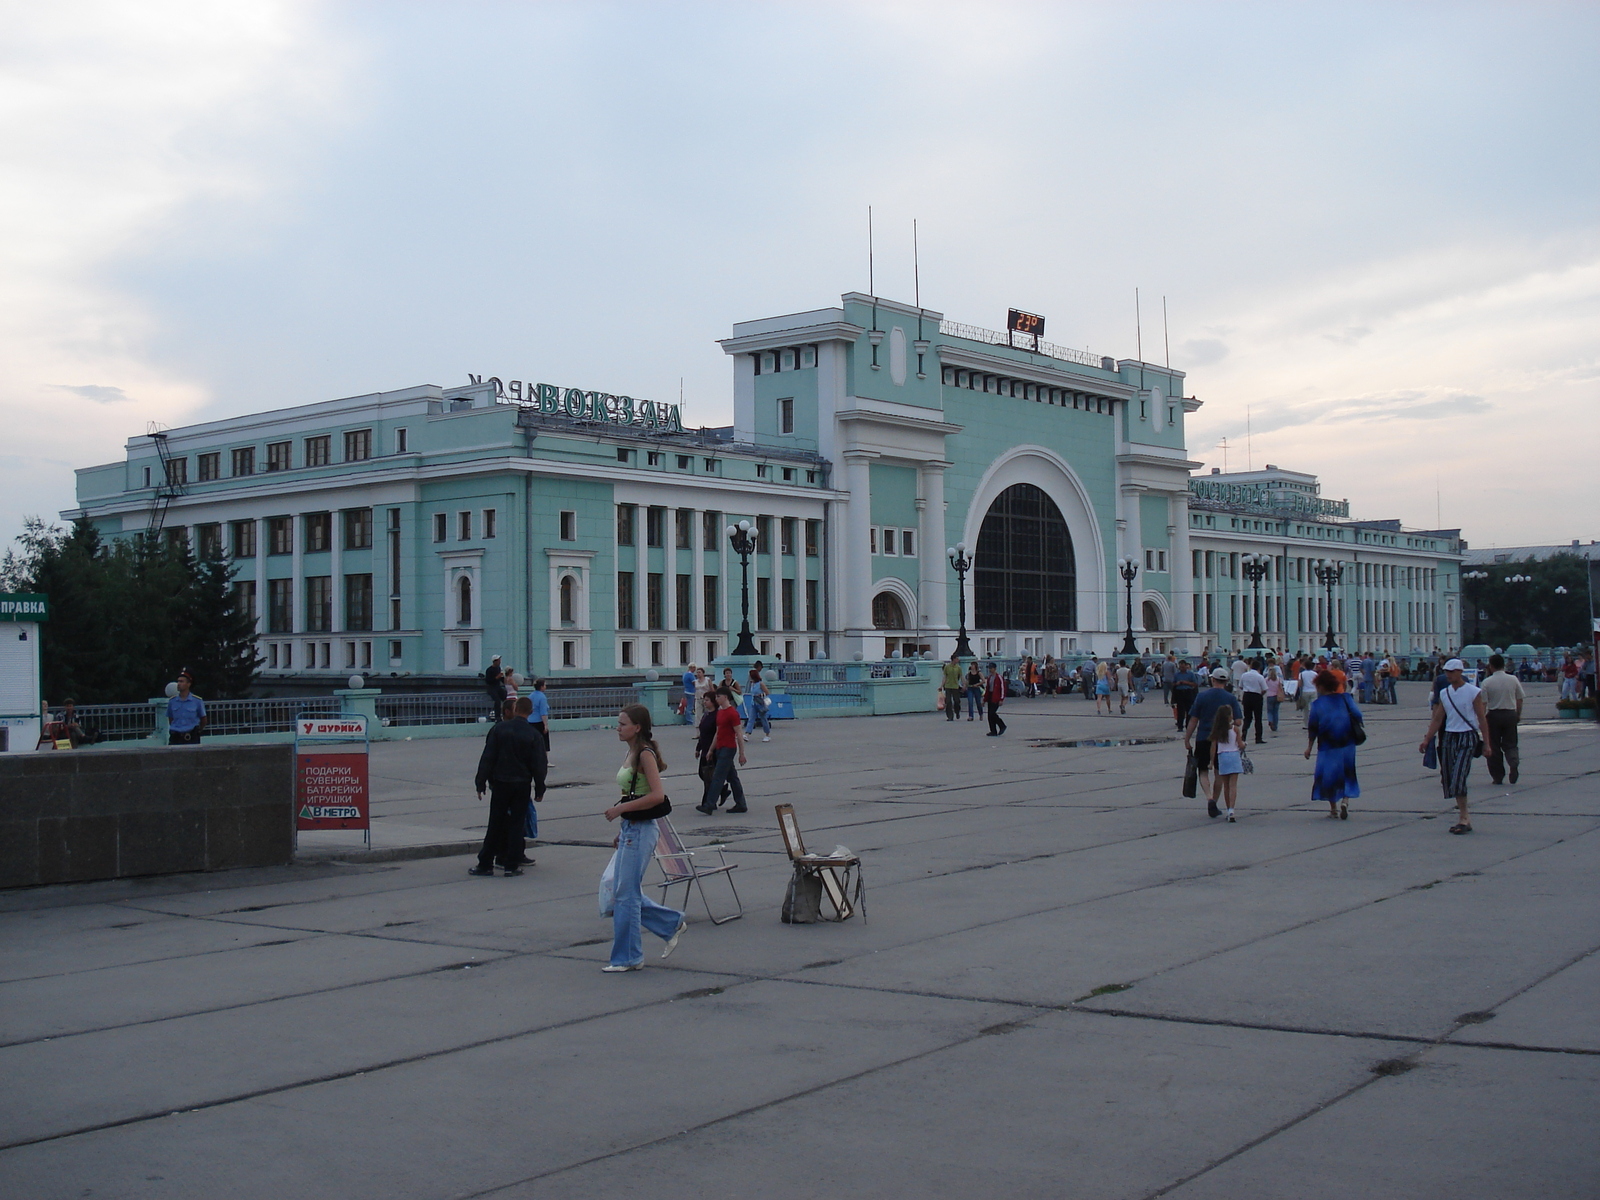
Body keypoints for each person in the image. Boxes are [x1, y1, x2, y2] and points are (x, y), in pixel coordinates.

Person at [601, 704, 686, 971]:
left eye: (623, 724)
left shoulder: (645, 754)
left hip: (642, 829)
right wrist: (622, 827)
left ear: (637, 727)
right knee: (622, 892)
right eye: (618, 723)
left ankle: (628, 957)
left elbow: (656, 795)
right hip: (631, 829)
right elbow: (634, 793)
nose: (618, 727)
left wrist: (619, 810)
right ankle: (670, 924)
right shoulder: (632, 752)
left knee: (625, 895)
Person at [471, 696, 547, 876]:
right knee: (516, 824)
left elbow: (488, 757)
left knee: (495, 823)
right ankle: (511, 865)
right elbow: (539, 764)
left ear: (515, 709)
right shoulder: (533, 734)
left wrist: (480, 782)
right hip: (521, 784)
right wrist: (540, 788)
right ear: (530, 712)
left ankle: (485, 864)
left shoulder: (499, 729)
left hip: (500, 783)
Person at [1420, 658, 1491, 835]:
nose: (1449, 675)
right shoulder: (1445, 693)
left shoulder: (1473, 692)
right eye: (1446, 672)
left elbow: (1481, 718)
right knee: (1450, 777)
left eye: (1452, 671)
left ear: (1460, 672)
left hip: (1467, 735)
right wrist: (1428, 738)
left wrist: (1487, 743)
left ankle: (1464, 817)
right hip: (1450, 736)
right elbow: (1438, 718)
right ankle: (1463, 815)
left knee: (1459, 775)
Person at [1185, 669, 1242, 818]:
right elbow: (1238, 721)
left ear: (1212, 680)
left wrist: (1187, 738)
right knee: (1219, 773)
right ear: (1226, 681)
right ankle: (1214, 803)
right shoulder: (1230, 698)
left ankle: (1209, 797)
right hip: (1222, 740)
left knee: (1203, 770)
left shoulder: (1202, 696)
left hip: (1203, 737)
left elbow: (1193, 719)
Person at [1304, 670, 1361, 819]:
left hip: (1327, 744)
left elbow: (1313, 727)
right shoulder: (1346, 698)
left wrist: (1309, 747)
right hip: (1347, 742)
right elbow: (1358, 715)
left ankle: (1333, 809)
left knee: (1329, 775)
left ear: (1322, 686)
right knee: (1347, 772)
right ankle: (1345, 801)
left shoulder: (1317, 705)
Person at [697, 686, 748, 813]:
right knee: (732, 777)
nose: (717, 699)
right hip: (720, 747)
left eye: (718, 697)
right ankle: (741, 803)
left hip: (728, 748)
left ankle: (710, 804)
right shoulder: (720, 712)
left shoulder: (732, 713)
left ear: (725, 697)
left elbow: (739, 734)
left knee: (718, 776)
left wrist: (742, 753)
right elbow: (718, 733)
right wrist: (710, 750)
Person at [1480, 653, 1525, 787]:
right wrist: (1518, 714)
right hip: (1510, 714)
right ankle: (1513, 762)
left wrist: (1481, 720)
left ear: (1491, 666)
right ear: (1503, 665)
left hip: (1493, 715)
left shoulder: (1487, 682)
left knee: (1493, 746)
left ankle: (1497, 776)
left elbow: (1483, 703)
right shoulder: (1513, 679)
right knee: (1510, 743)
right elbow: (1520, 699)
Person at [1209, 703, 1243, 822]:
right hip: (1234, 755)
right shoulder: (1235, 729)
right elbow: (1240, 744)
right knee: (1233, 785)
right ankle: (1231, 810)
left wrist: (1211, 762)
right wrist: (1244, 745)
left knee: (1226, 785)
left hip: (1222, 756)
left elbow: (1213, 747)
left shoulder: (1217, 731)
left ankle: (1228, 808)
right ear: (1229, 717)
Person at [166, 670, 206, 745]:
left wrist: (198, 730)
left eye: (182, 681)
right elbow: (170, 718)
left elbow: (203, 719)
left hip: (191, 736)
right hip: (176, 736)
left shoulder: (197, 700)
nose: (178, 684)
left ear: (188, 684)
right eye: (178, 681)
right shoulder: (172, 701)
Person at [1238, 658, 1267, 744]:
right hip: (1256, 696)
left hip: (1246, 696)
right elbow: (1264, 688)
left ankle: (1243, 735)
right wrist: (1260, 694)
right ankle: (1258, 737)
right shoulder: (1259, 677)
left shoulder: (1244, 675)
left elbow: (1240, 686)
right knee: (1258, 718)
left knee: (1247, 717)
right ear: (1259, 668)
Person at [1171, 659, 1199, 731]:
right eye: (1180, 667)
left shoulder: (1190, 674)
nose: (1181, 669)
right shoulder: (1177, 674)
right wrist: (1177, 684)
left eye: (1183, 667)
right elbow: (1173, 683)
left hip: (1188, 692)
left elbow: (1195, 684)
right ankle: (1180, 726)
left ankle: (1188, 726)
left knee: (1189, 710)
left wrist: (1186, 683)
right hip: (1179, 692)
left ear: (1186, 666)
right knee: (1180, 710)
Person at [745, 671, 773, 742]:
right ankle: (747, 734)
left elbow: (767, 692)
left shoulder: (760, 684)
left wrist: (760, 695)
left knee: (763, 719)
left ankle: (767, 734)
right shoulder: (752, 684)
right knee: (751, 719)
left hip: (760, 703)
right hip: (753, 703)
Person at [526, 677, 551, 752]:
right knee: (543, 742)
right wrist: (545, 725)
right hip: (539, 722)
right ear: (541, 687)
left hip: (530, 721)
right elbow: (543, 713)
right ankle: (544, 760)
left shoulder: (530, 696)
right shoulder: (542, 697)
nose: (545, 687)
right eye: (545, 685)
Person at [983, 662, 1008, 736]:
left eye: (991, 668)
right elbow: (987, 689)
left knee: (992, 713)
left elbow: (1003, 688)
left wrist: (1001, 699)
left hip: (996, 697)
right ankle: (993, 731)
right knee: (989, 715)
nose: (990, 670)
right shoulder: (990, 677)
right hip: (990, 696)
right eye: (989, 668)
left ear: (995, 668)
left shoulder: (999, 677)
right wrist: (984, 699)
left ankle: (1002, 725)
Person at [942, 654, 964, 721]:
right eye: (957, 659)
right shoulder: (947, 667)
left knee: (957, 701)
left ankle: (957, 711)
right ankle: (950, 716)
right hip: (948, 686)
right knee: (948, 701)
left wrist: (964, 684)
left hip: (955, 686)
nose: (958, 660)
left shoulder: (958, 668)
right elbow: (945, 677)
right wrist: (942, 685)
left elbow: (961, 676)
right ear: (953, 659)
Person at [1263, 663, 1284, 735]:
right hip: (1277, 696)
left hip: (1269, 696)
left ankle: (1270, 720)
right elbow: (1281, 688)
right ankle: (1275, 725)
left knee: (1269, 711)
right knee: (1276, 711)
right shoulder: (1278, 679)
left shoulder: (1267, 680)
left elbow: (1264, 688)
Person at [484, 654, 506, 719]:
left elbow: (502, 680)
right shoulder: (489, 670)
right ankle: (497, 717)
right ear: (495, 661)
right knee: (497, 701)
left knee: (506, 698)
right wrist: (496, 678)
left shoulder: (499, 669)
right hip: (492, 688)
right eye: (499, 661)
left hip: (498, 687)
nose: (500, 662)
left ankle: (506, 714)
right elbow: (488, 681)